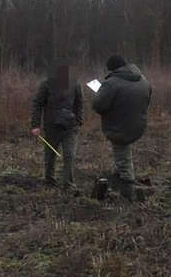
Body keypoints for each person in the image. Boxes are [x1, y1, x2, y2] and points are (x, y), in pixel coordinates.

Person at [91, 54, 151, 200]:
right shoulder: (142, 79)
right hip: (138, 124)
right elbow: (146, 98)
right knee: (123, 154)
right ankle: (117, 180)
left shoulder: (111, 83)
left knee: (123, 157)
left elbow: (98, 105)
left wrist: (100, 92)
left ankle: (128, 191)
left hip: (119, 127)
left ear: (112, 69)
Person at [30, 60, 84, 193]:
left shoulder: (75, 84)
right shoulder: (46, 84)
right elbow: (37, 104)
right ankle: (49, 180)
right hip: (51, 127)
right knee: (50, 156)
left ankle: (68, 184)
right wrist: (35, 125)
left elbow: (79, 102)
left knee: (69, 155)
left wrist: (79, 120)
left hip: (70, 127)